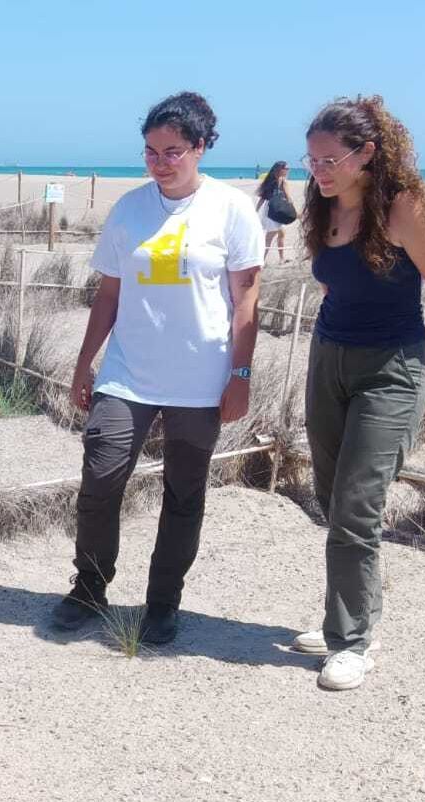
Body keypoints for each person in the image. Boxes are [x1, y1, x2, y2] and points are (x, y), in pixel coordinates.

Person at [49, 91, 264, 644]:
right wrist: (84, 361)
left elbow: (246, 300)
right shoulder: (129, 209)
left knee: (184, 492)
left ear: (199, 148)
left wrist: (239, 375)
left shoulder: (231, 209)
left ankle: (163, 602)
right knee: (100, 477)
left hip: (201, 379)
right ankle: (90, 587)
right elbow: (108, 294)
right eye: (150, 151)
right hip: (128, 373)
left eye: (172, 152)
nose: (159, 163)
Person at [295, 96, 425, 691]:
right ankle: (348, 614)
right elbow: (331, 284)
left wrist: (423, 355)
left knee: (357, 506)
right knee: (328, 494)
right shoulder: (321, 207)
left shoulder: (403, 208)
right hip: (329, 359)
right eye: (311, 159)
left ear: (367, 153)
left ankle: (352, 643)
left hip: (392, 368)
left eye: (330, 158)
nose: (318, 169)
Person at [255, 161, 295, 263]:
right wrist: (293, 211)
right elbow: (289, 198)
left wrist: (255, 211)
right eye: (286, 168)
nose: (288, 170)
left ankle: (280, 258)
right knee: (270, 236)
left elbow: (262, 199)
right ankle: (261, 260)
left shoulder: (270, 181)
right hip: (277, 211)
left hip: (269, 211)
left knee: (280, 233)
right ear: (280, 169)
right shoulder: (283, 181)